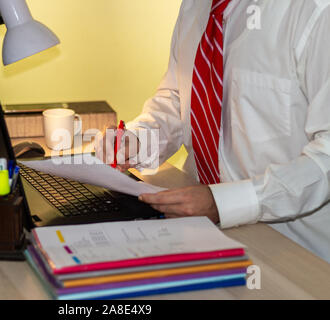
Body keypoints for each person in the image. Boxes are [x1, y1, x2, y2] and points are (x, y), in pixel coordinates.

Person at [94, 0, 330, 262]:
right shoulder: (195, 6)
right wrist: (139, 139)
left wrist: (224, 204)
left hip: (293, 247)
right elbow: (178, 95)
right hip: (192, 222)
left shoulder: (316, 11)